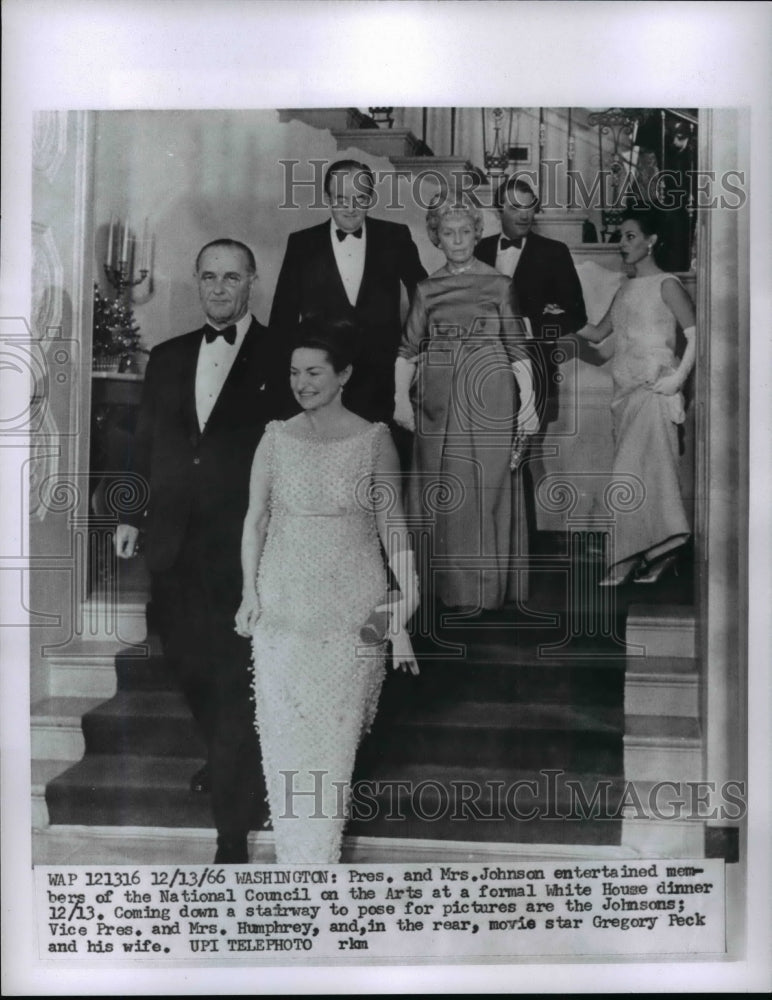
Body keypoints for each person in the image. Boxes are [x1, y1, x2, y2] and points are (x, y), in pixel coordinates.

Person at [115, 239, 293, 863]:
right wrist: (132, 512)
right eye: (209, 277)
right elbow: (145, 443)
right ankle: (228, 760)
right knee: (187, 664)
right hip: (173, 541)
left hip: (242, 544)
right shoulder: (166, 357)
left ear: (252, 282)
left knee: (234, 674)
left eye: (232, 278)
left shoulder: (281, 356)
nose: (219, 288)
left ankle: (232, 826)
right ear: (197, 281)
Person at [235, 320, 419, 864]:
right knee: (287, 733)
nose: (302, 382)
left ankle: (315, 861)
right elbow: (256, 519)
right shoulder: (274, 436)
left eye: (314, 371)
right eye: (295, 372)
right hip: (283, 602)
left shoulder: (374, 439)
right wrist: (249, 593)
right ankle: (304, 868)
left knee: (336, 737)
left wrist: (400, 612)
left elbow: (394, 528)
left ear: (344, 375)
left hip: (351, 603)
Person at [393, 195, 538, 611]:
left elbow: (518, 350)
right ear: (435, 238)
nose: (457, 240)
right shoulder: (426, 288)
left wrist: (527, 408)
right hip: (436, 399)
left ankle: (485, 591)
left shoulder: (500, 285)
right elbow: (407, 350)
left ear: (478, 233)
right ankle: (445, 590)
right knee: (444, 489)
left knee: (483, 489)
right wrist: (400, 399)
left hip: (490, 391)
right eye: (447, 233)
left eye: (465, 231)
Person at [576, 210, 696, 585]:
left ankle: (636, 557)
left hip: (654, 390)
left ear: (651, 240)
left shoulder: (668, 284)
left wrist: (677, 379)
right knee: (638, 477)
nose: (622, 244)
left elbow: (697, 335)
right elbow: (599, 339)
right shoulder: (625, 289)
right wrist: (562, 316)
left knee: (634, 475)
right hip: (624, 394)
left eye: (630, 236)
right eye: (621, 237)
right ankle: (656, 554)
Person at [269, 158, 426, 430]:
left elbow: (425, 296)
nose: (351, 208)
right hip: (321, 382)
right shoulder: (302, 244)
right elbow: (282, 318)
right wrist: (281, 386)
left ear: (371, 198)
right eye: (341, 198)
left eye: (360, 198)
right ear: (327, 197)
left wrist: (415, 353)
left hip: (382, 381)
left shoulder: (395, 236)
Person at [475, 174, 587, 425]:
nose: (525, 216)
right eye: (515, 207)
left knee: (523, 459)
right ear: (497, 210)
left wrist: (531, 327)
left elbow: (577, 315)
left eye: (529, 207)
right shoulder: (478, 250)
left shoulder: (554, 252)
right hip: (484, 369)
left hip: (536, 367)